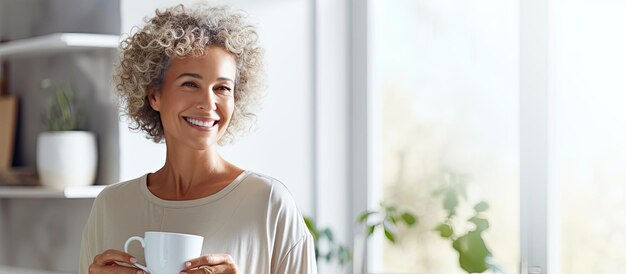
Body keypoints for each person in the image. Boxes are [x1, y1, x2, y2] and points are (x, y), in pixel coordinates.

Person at [79, 4, 317, 274]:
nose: (209, 102)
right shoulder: (111, 206)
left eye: (222, 88)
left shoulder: (269, 204)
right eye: (190, 84)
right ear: (154, 95)